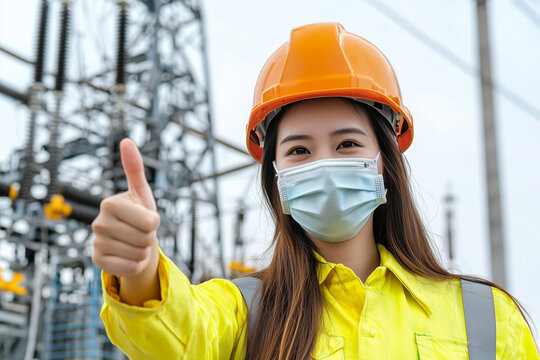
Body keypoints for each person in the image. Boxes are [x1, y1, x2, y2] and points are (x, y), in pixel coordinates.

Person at [91, 22, 539, 359]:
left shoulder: (488, 318)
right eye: (300, 151)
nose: (324, 165)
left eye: (347, 144)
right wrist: (141, 268)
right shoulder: (242, 314)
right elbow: (177, 334)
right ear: (277, 178)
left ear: (386, 163)